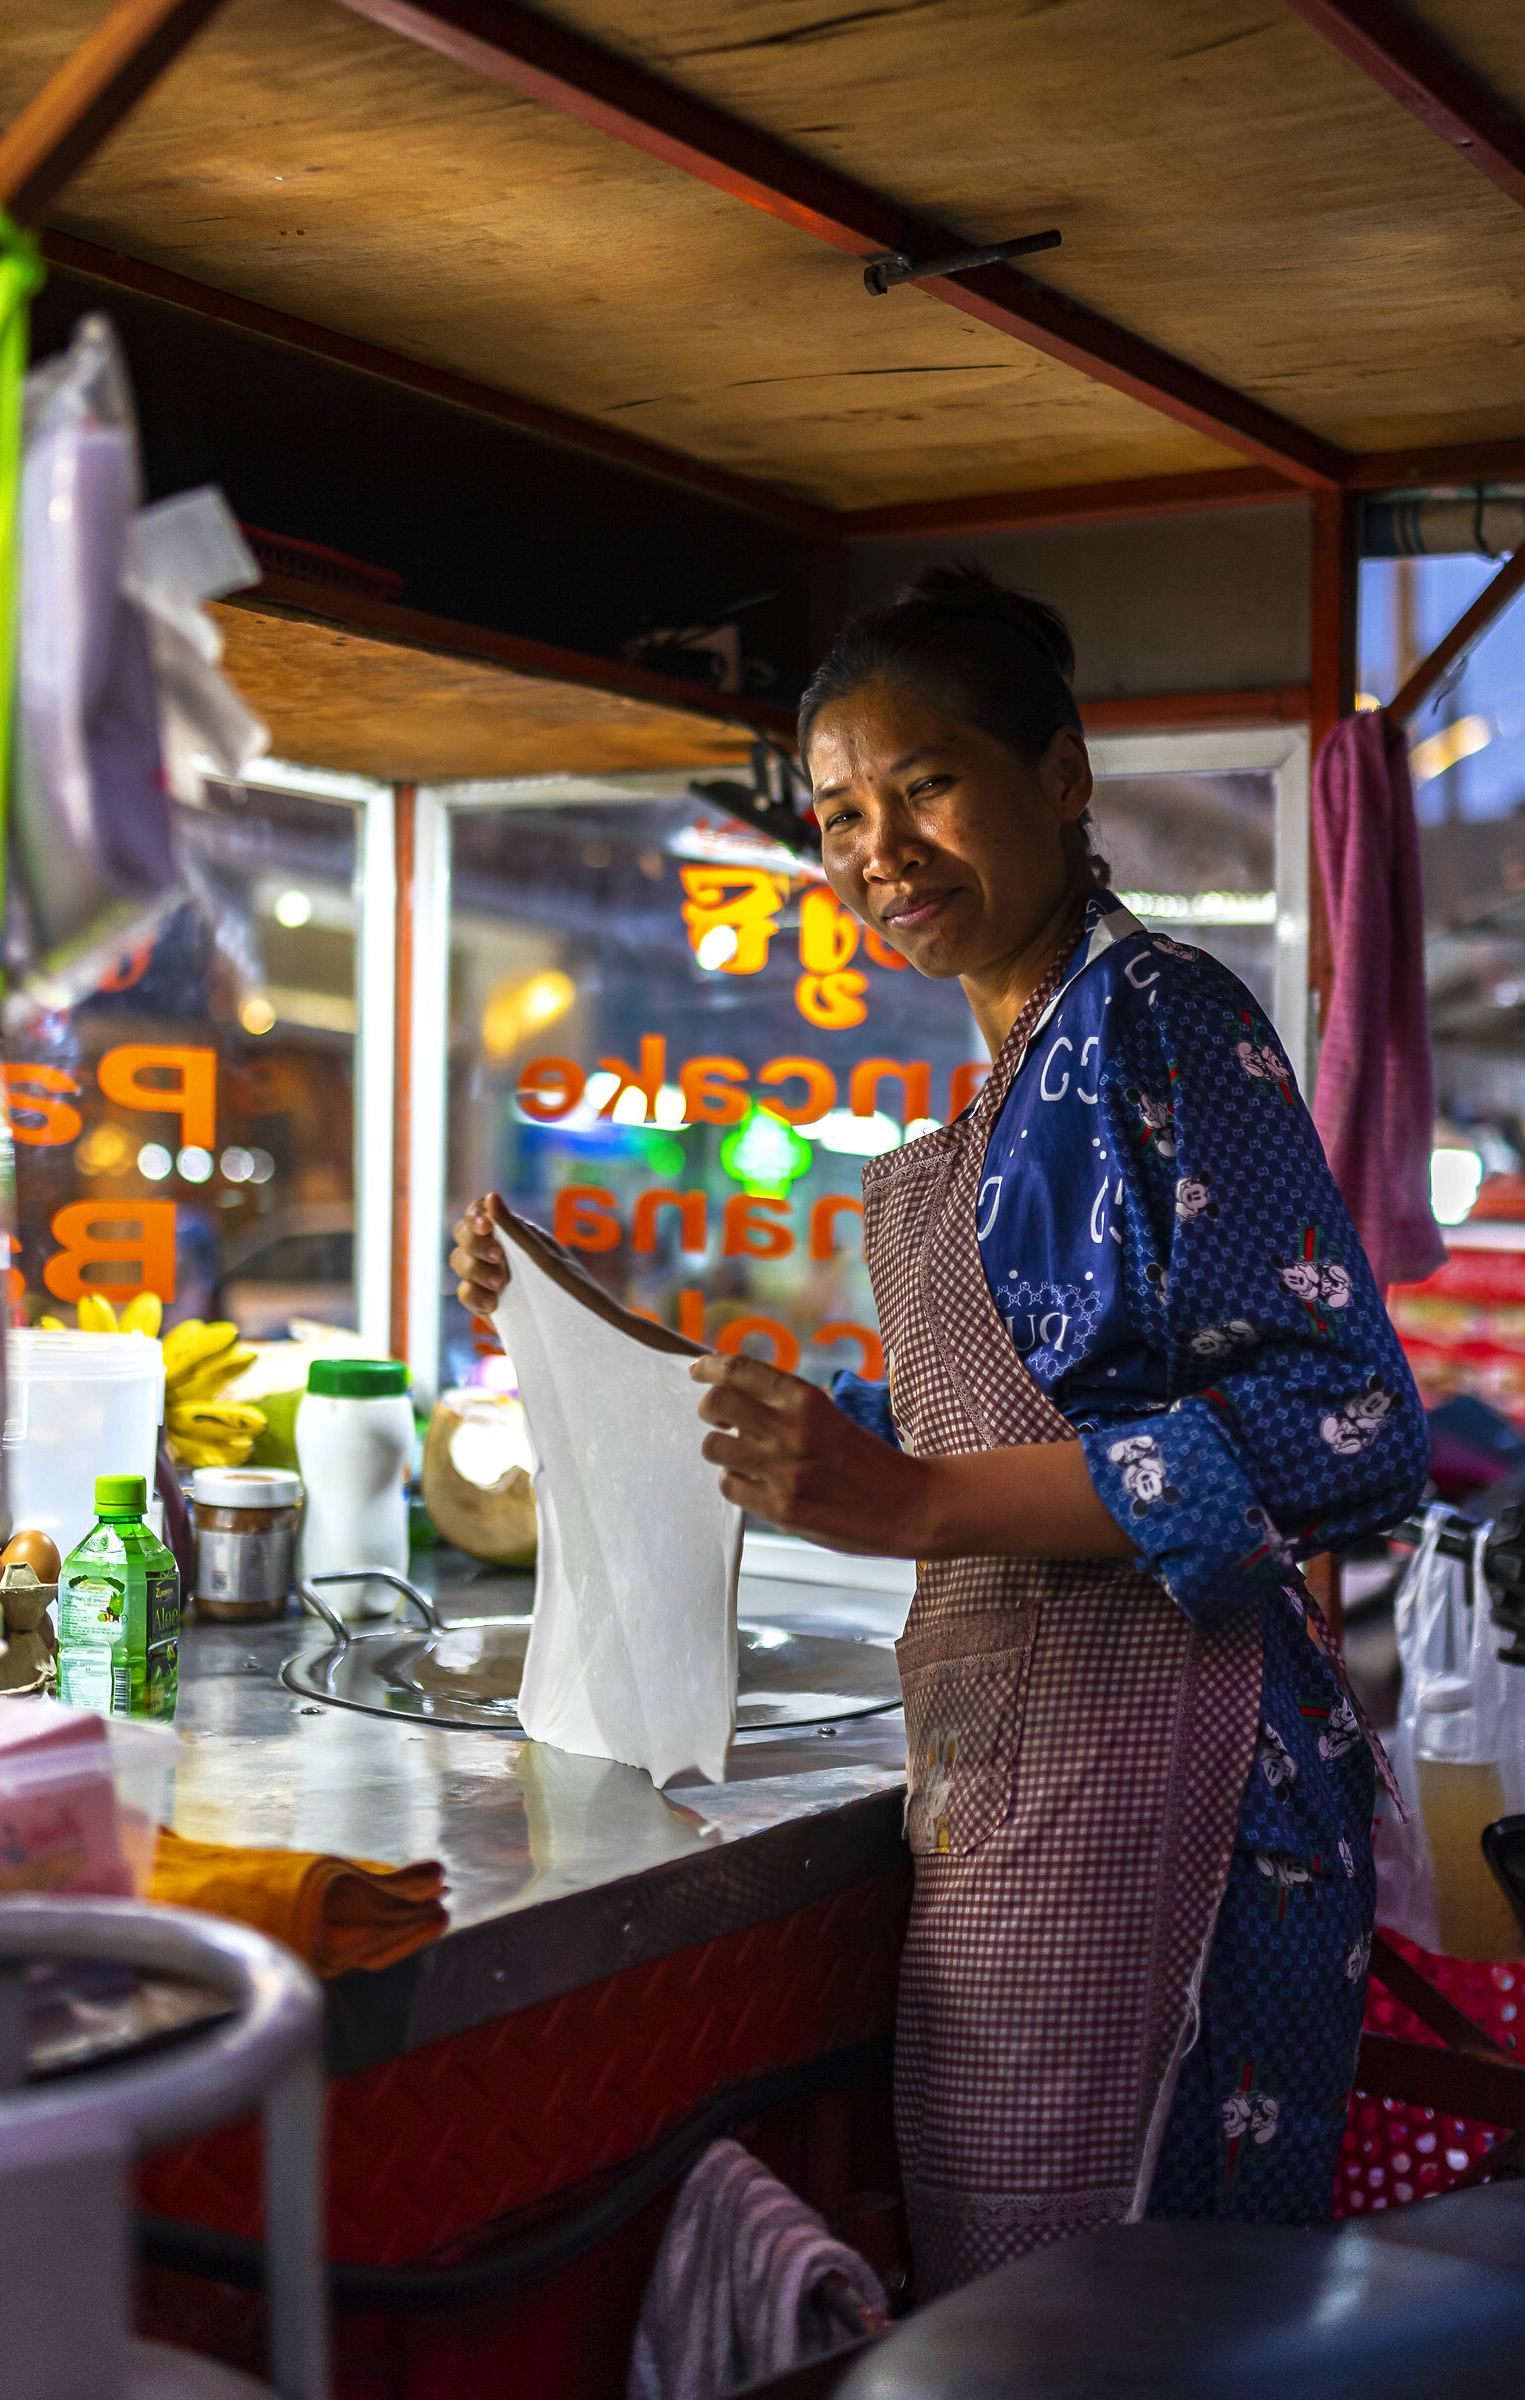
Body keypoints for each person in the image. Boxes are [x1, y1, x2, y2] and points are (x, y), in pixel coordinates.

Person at [453, 565, 1429, 2298]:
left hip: (1176, 1786)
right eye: (838, 813)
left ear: (1062, 777)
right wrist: (570, 1321)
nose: (877, 847)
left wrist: (909, 1503)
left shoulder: (1160, 1019)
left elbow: (1343, 1422)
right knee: (1011, 2292)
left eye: (927, 784)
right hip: (1022, 1770)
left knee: (1111, 2321)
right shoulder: (1008, 1075)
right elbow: (937, 1427)